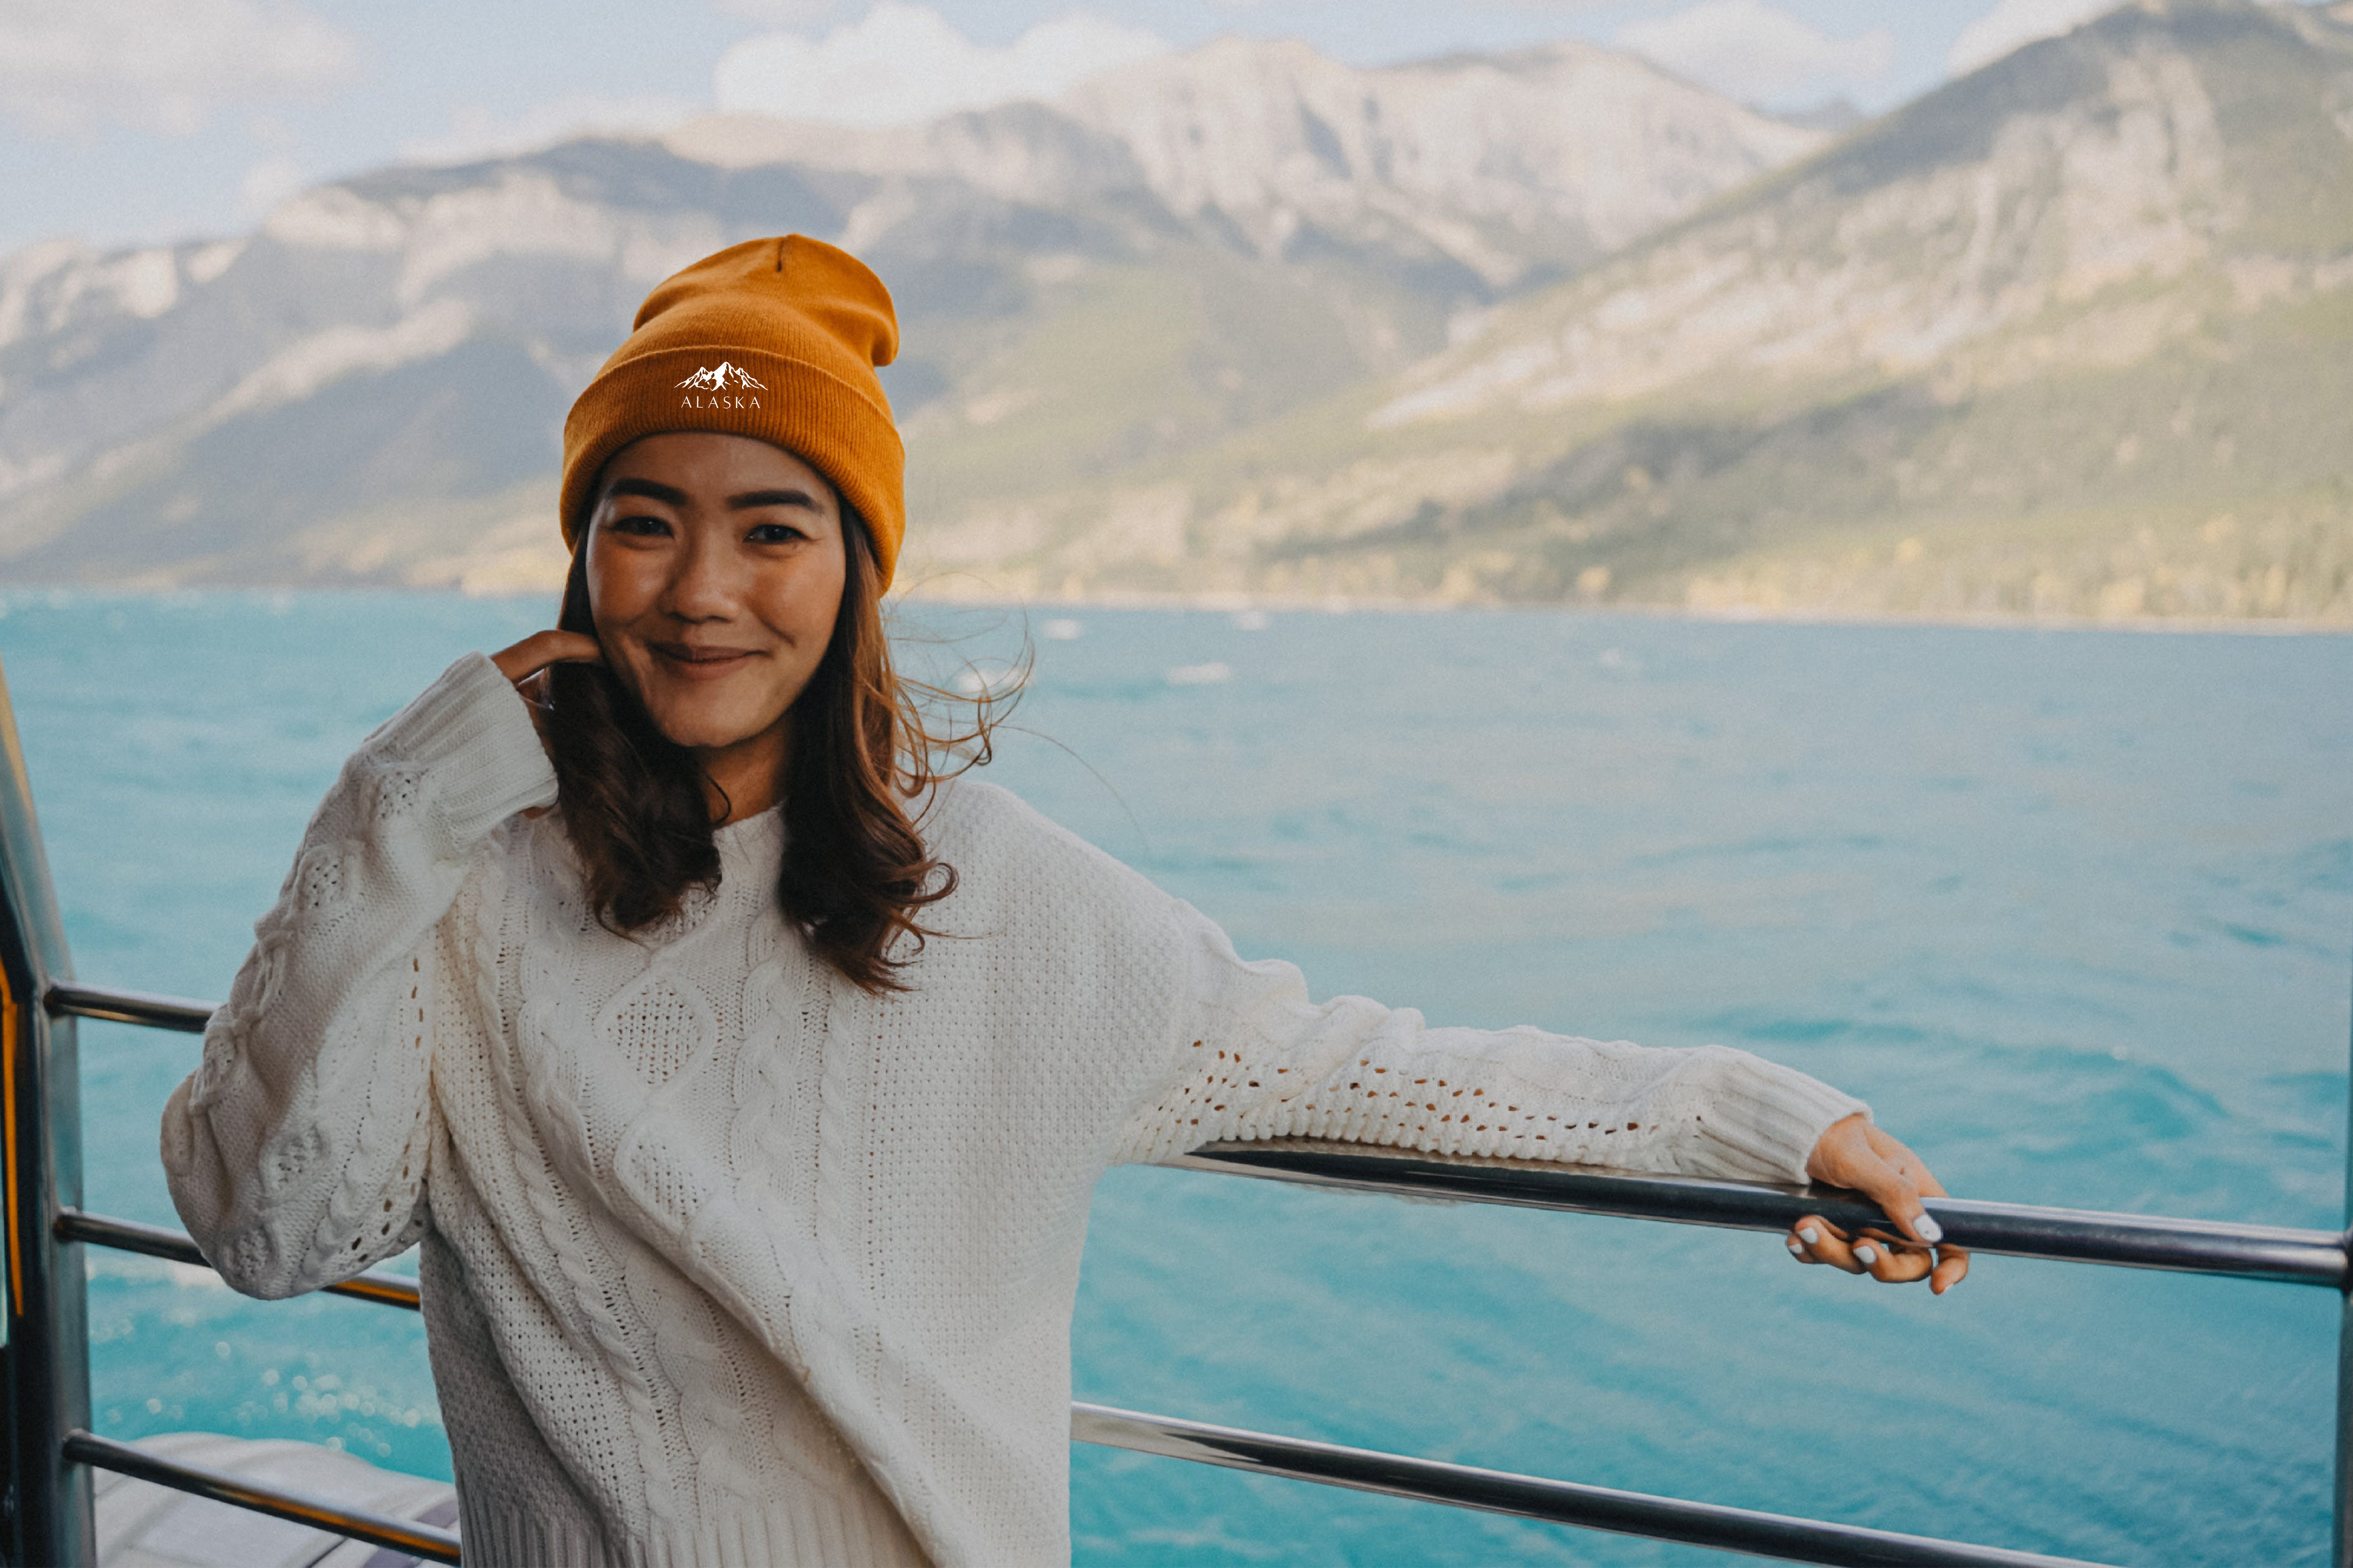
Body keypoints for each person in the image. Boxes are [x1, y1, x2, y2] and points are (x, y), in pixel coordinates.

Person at [161, 235, 1966, 1568]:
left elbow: (1374, 1068)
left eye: (775, 526)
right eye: (645, 518)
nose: (702, 587)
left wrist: (1755, 1120)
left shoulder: (1004, 901)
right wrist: (397, 805)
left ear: (856, 571)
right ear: (581, 551)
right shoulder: (466, 888)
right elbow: (266, 1227)